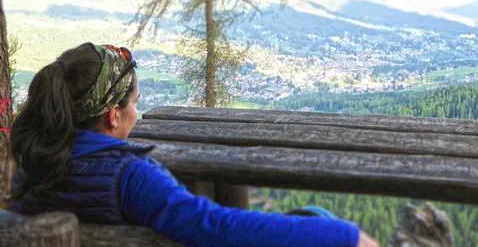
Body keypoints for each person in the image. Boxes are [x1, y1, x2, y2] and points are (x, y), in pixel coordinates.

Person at [9, 42, 379, 247]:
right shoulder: (128, 178)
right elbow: (216, 227)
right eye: (134, 104)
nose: (137, 114)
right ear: (112, 116)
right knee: (318, 218)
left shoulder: (32, 166)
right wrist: (343, 235)